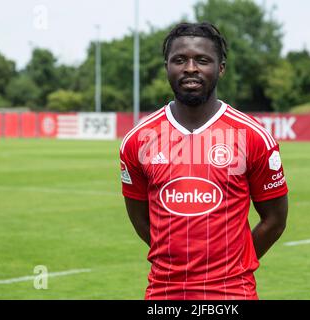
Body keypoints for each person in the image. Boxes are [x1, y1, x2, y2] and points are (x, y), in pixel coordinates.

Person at [119, 22, 288, 300]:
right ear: (167, 67)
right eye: (180, 60)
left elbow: (275, 220)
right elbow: (139, 217)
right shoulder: (139, 139)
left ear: (220, 68)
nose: (190, 68)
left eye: (202, 60)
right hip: (164, 293)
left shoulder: (253, 136)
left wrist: (232, 265)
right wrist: (175, 261)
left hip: (232, 293)